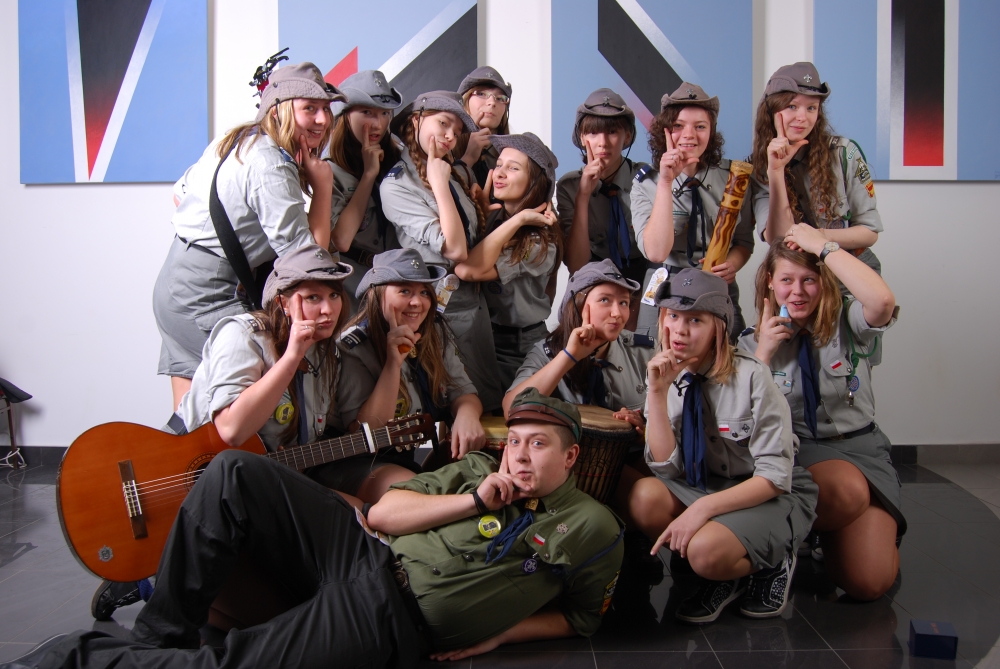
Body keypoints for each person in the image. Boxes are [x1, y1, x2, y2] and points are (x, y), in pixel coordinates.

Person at [15, 390, 625, 669]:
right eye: (514, 442)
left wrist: (498, 635)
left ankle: (67, 658)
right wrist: (470, 500)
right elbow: (382, 515)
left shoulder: (593, 528)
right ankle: (158, 635)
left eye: (537, 445)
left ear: (570, 457)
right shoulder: (476, 471)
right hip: (364, 550)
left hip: (392, 615)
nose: (519, 456)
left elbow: (581, 618)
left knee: (232, 661)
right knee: (232, 472)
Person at [628, 268, 818, 623]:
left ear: (719, 327)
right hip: (708, 485)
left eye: (695, 320)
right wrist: (657, 392)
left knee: (703, 553)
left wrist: (701, 510)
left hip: (764, 494)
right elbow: (666, 468)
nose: (680, 331)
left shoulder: (753, 376)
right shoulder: (666, 373)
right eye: (673, 317)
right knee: (643, 497)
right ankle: (727, 573)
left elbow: (775, 477)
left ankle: (771, 560)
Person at [153, 62, 343, 409]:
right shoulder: (271, 164)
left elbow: (180, 193)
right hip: (209, 293)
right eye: (310, 108)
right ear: (279, 109)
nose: (322, 120)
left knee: (189, 414)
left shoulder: (237, 139)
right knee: (245, 404)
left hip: (176, 280)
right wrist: (324, 186)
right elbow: (307, 263)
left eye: (326, 109)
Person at [739, 225, 903, 601]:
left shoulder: (849, 321)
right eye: (787, 280)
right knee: (846, 488)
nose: (798, 291)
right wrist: (763, 355)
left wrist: (823, 246)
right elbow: (741, 421)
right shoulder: (751, 342)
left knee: (870, 582)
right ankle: (784, 545)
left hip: (863, 448)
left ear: (824, 282)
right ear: (769, 283)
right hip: (801, 452)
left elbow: (882, 302)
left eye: (809, 280)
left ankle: (820, 532)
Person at [381, 91, 505, 412]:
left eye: (457, 131)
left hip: (474, 304)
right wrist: (438, 184)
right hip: (437, 309)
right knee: (452, 402)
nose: (450, 136)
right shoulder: (397, 185)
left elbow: (469, 236)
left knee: (487, 400)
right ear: (416, 121)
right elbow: (456, 249)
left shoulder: (451, 173)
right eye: (443, 124)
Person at [337, 248, 486, 469]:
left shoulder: (434, 332)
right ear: (376, 295)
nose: (417, 302)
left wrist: (467, 415)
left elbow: (462, 391)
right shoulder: (353, 347)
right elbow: (366, 435)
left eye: (424, 292)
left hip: (426, 453)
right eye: (405, 291)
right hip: (372, 461)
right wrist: (392, 365)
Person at [631, 83, 754, 340]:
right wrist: (666, 182)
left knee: (729, 353)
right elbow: (656, 252)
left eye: (700, 126)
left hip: (716, 283)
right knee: (654, 357)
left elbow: (743, 242)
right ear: (665, 131)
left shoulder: (735, 177)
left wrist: (732, 264)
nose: (689, 135)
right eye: (678, 126)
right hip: (665, 284)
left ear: (711, 132)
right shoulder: (647, 183)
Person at [750, 62, 883, 278]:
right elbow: (778, 238)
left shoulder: (843, 153)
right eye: (792, 106)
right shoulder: (759, 165)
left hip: (850, 269)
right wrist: (776, 171)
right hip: (797, 277)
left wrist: (816, 237)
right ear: (772, 110)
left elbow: (869, 232)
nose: (803, 117)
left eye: (811, 108)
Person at [454, 133, 563, 391]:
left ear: (535, 181)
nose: (499, 174)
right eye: (499, 164)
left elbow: (468, 271)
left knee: (514, 410)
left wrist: (520, 219)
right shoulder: (496, 216)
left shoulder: (540, 240)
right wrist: (481, 213)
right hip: (482, 333)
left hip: (519, 346)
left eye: (513, 168)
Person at [556, 88, 650, 327]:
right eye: (593, 132)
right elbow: (576, 265)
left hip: (642, 276)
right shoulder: (569, 186)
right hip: (591, 279)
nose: (603, 142)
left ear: (627, 137)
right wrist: (583, 195)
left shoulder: (647, 179)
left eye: (612, 132)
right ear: (582, 138)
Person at [325, 70, 404, 306]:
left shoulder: (399, 157)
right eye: (367, 112)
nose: (377, 124)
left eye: (384, 113)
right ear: (345, 115)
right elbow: (341, 240)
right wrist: (369, 175)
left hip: (400, 277)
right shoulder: (329, 170)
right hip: (356, 282)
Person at [453, 66, 512, 188]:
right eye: (481, 94)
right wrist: (468, 158)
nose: (492, 102)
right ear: (465, 100)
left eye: (500, 98)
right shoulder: (446, 145)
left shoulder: (514, 155)